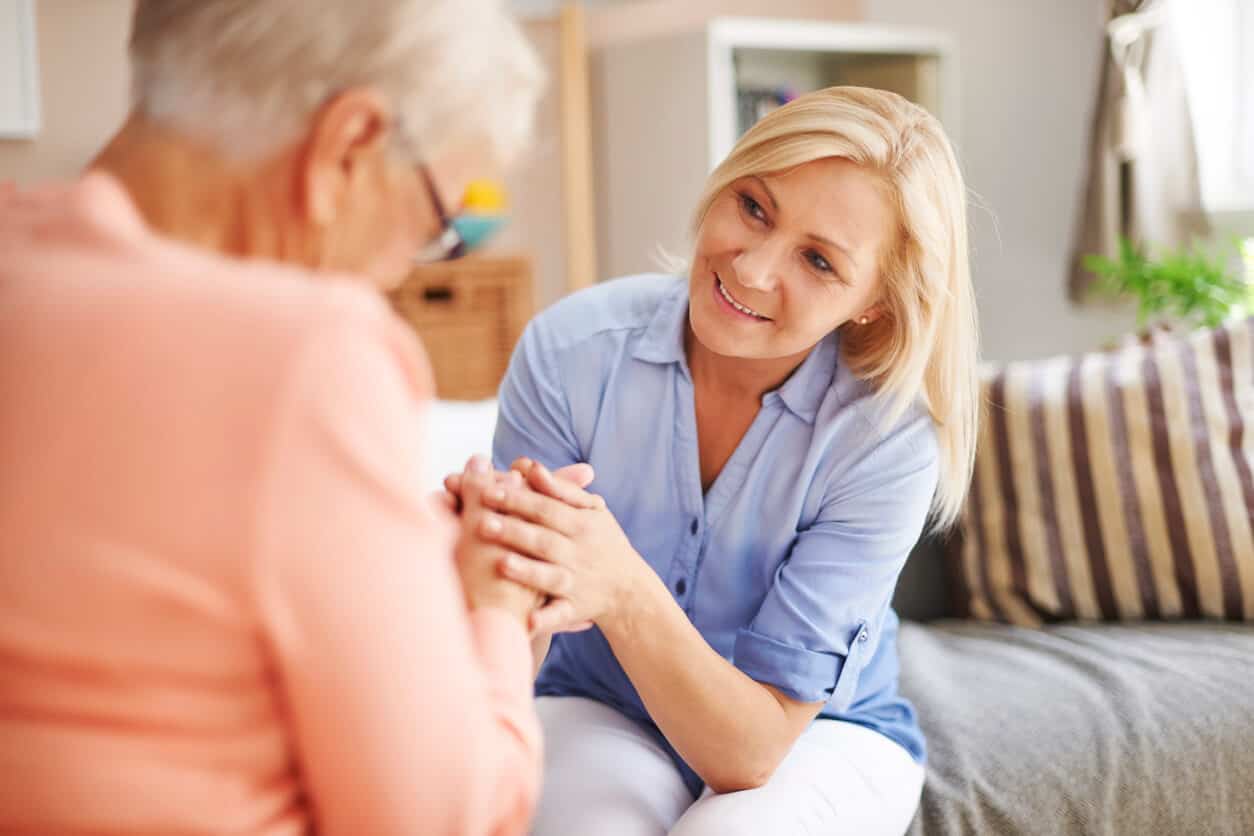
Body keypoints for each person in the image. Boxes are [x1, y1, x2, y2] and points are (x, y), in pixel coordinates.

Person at [0, 2, 559, 834]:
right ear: (349, 144)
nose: (401, 268)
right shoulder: (309, 355)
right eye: (433, 223)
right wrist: (497, 612)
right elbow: (442, 818)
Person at [451, 86, 980, 835]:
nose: (753, 269)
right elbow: (512, 641)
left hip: (817, 737)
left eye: (820, 261)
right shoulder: (569, 352)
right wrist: (486, 566)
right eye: (754, 207)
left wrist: (620, 585)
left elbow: (753, 751)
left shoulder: (885, 439)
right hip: (602, 704)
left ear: (876, 304)